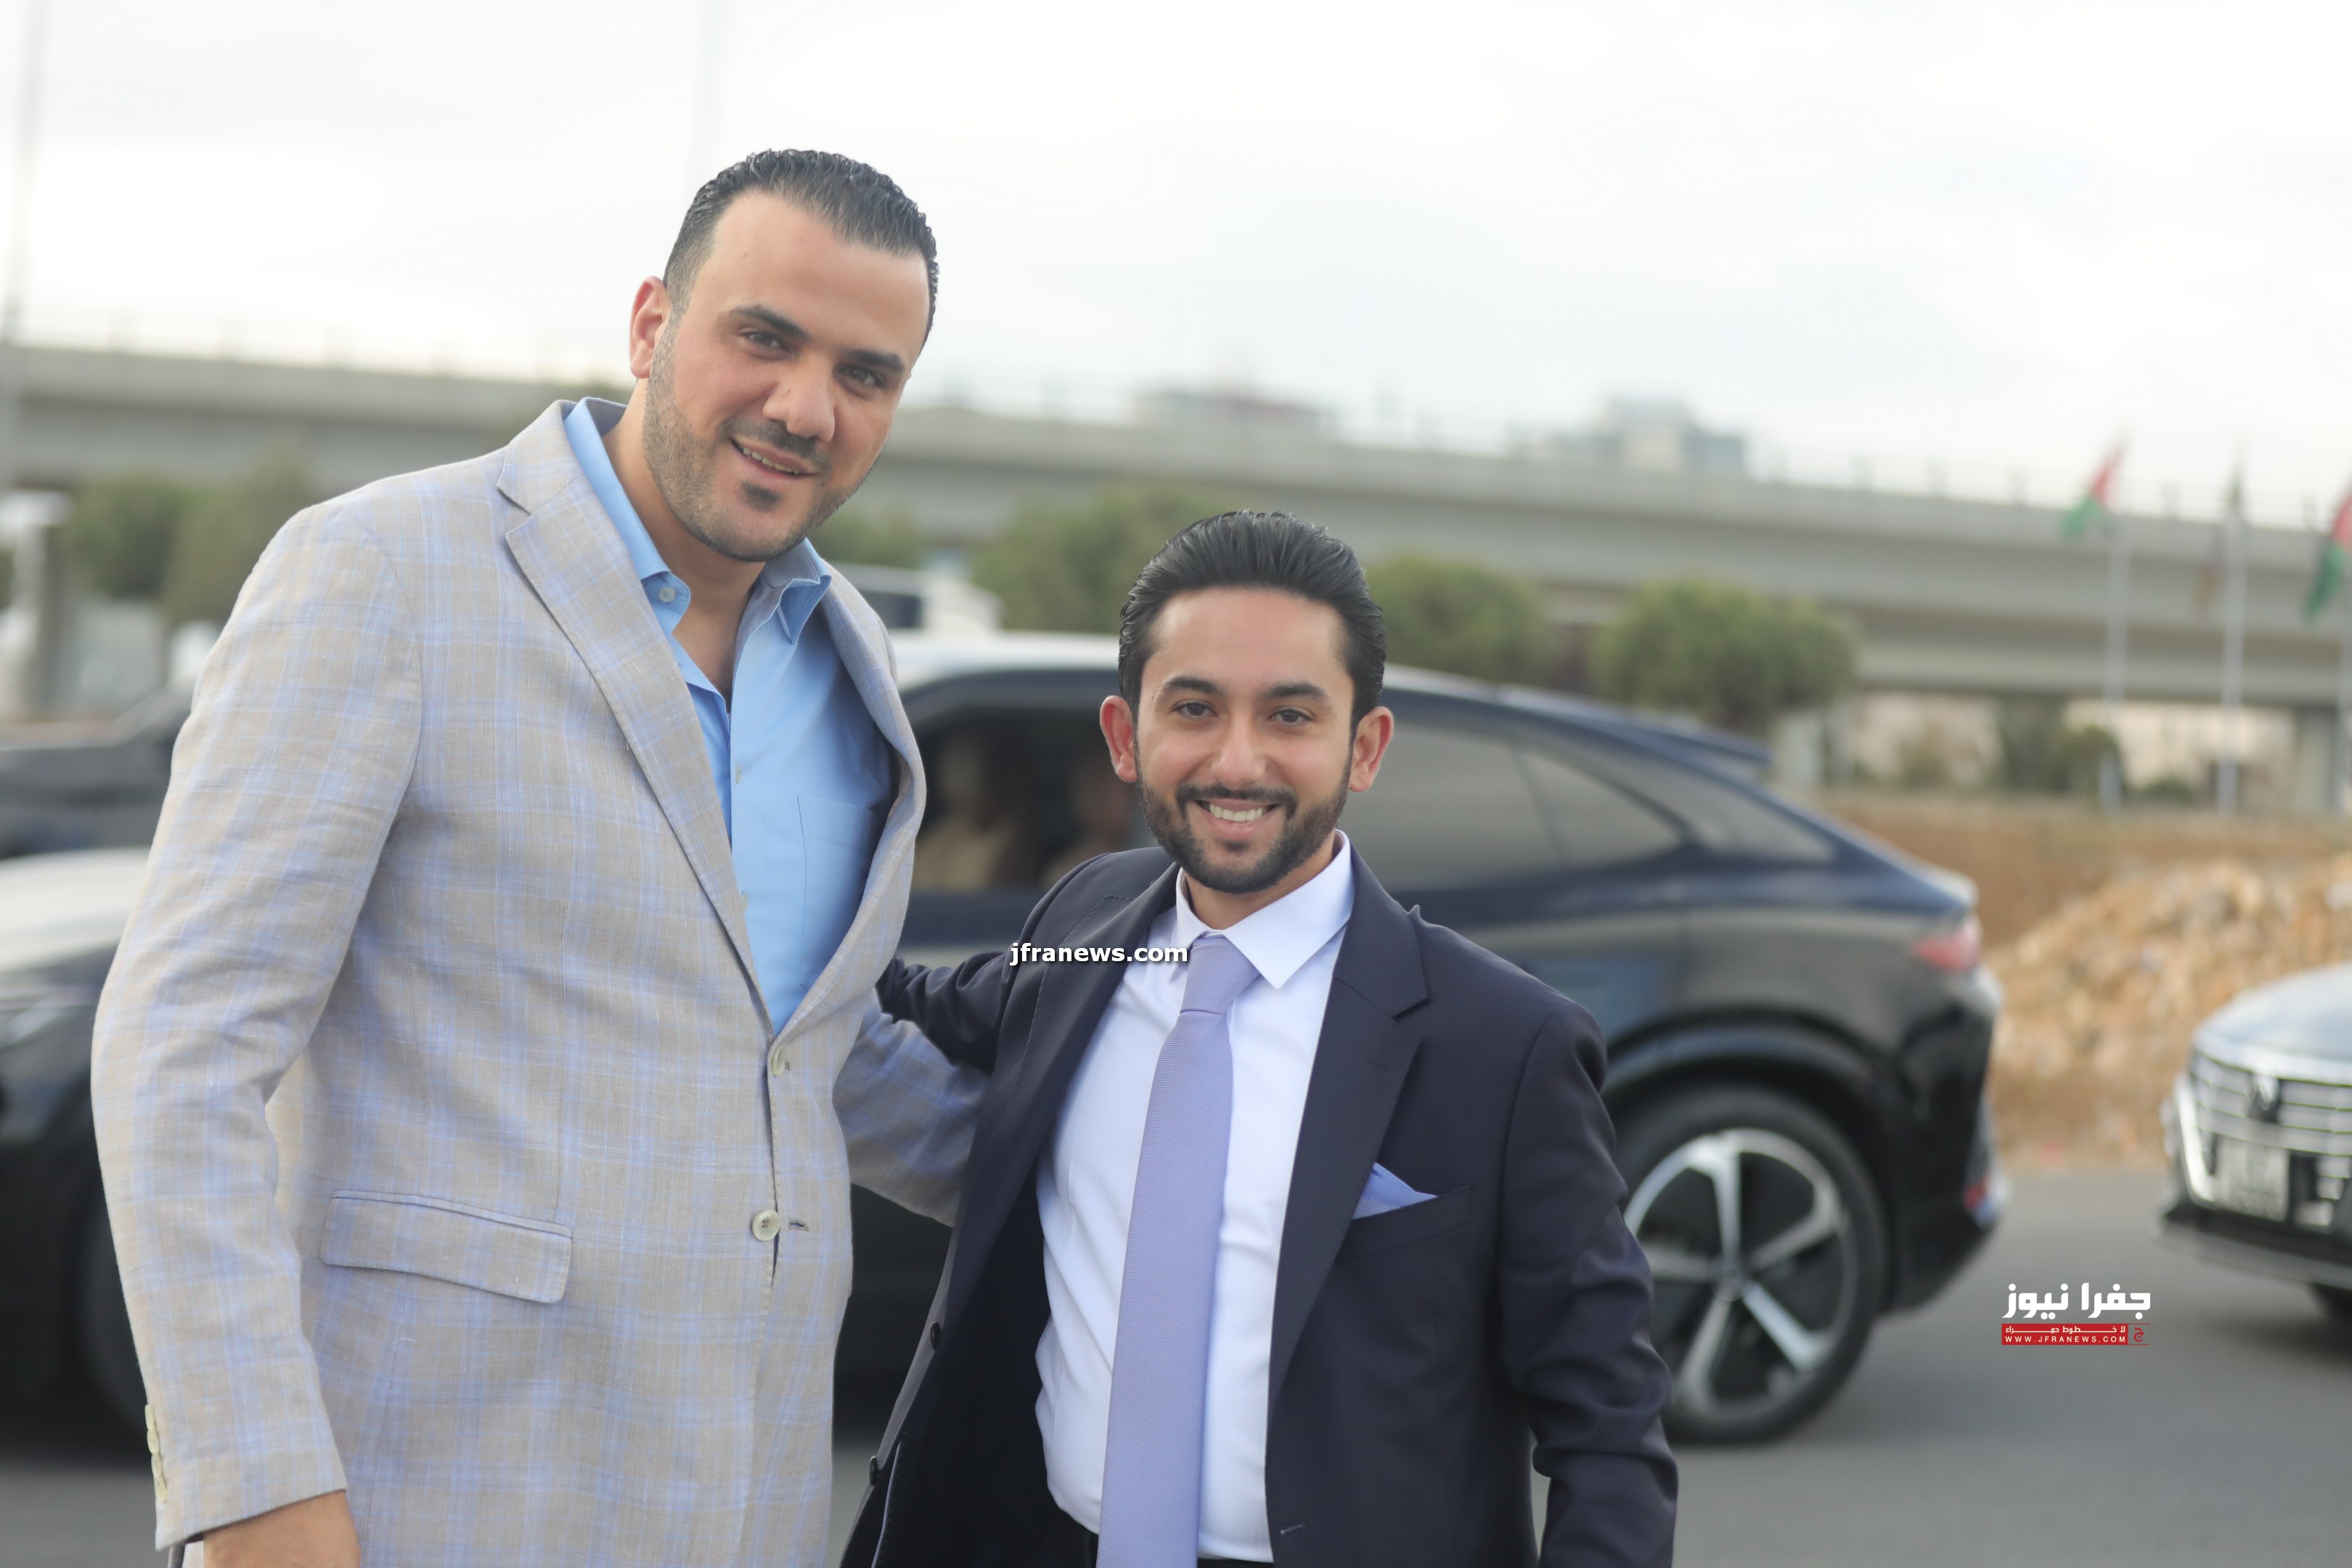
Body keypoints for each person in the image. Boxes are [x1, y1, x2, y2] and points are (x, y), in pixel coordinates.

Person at [90, 150, 985, 1568]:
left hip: (741, 1509)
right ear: (650, 324)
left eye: (864, 374)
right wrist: (255, 1488)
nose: (805, 407)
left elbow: (806, 1053)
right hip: (416, 1501)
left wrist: (1152, 1149)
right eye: (765, 337)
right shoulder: (382, 571)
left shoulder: (852, 660)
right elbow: (181, 1047)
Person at [848, 513, 1676, 1568]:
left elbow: (1608, 1424)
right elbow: (918, 1001)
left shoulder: (1503, 1045)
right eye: (1194, 709)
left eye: (1290, 715)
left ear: (1364, 747)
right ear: (1124, 736)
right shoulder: (1085, 928)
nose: (1238, 762)